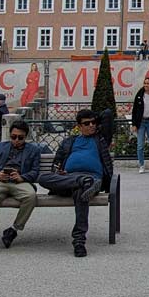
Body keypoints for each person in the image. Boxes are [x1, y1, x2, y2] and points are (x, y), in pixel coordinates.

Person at [38, 109, 113, 257]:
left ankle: (79, 241)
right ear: (79, 126)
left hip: (93, 179)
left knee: (82, 194)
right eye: (87, 123)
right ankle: (82, 181)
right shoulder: (69, 141)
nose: (91, 125)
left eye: (94, 122)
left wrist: (95, 118)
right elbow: (56, 164)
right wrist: (58, 173)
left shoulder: (101, 139)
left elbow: (108, 114)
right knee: (43, 178)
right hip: (70, 180)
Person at [0, 119, 41, 255]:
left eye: (20, 137)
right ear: (9, 135)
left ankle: (13, 229)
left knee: (30, 196)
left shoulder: (34, 150)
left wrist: (22, 177)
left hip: (20, 181)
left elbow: (35, 172)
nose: (16, 140)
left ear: (26, 137)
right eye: (13, 137)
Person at [130, 75, 149, 173]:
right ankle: (141, 165)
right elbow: (134, 110)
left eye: (148, 83)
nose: (146, 85)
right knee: (140, 145)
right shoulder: (139, 95)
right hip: (141, 122)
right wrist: (134, 124)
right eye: (145, 83)